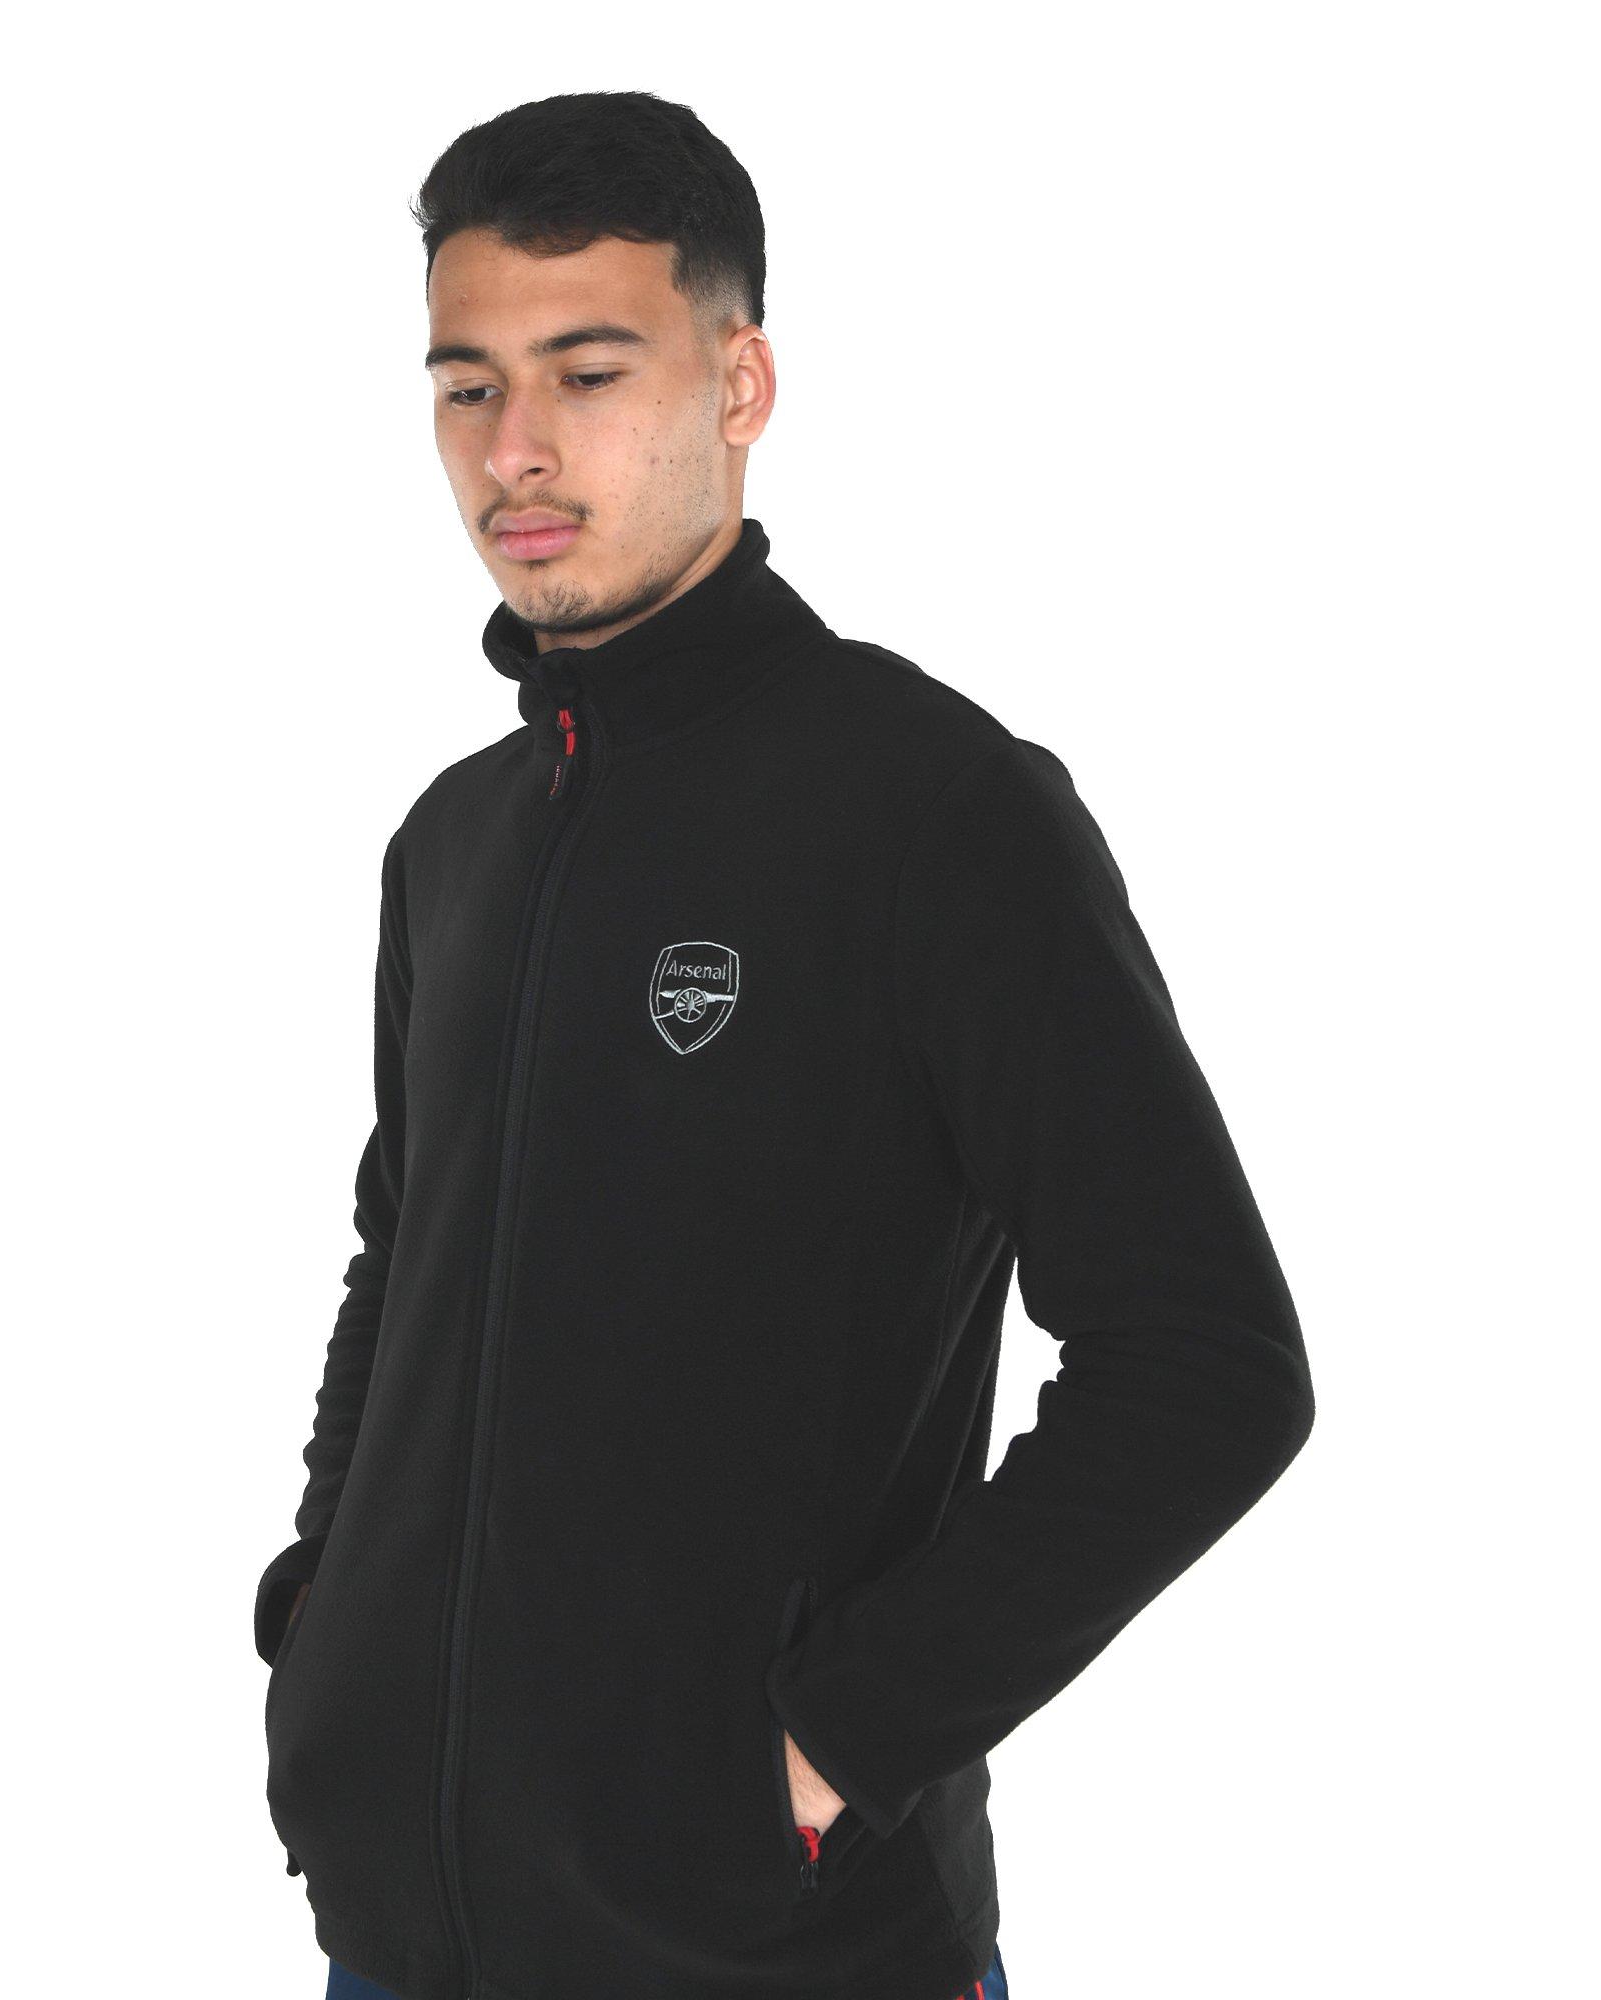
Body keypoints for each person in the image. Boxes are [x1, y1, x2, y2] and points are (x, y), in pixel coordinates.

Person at [256, 89, 1311, 2000]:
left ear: (740, 382)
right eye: (467, 385)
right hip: (403, 1946)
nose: (515, 449)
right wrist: (323, 1618)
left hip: (780, 1950)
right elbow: (400, 1261)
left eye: (590, 374)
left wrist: (834, 1743)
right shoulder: (455, 843)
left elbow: (1209, 1366)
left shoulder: (933, 812)